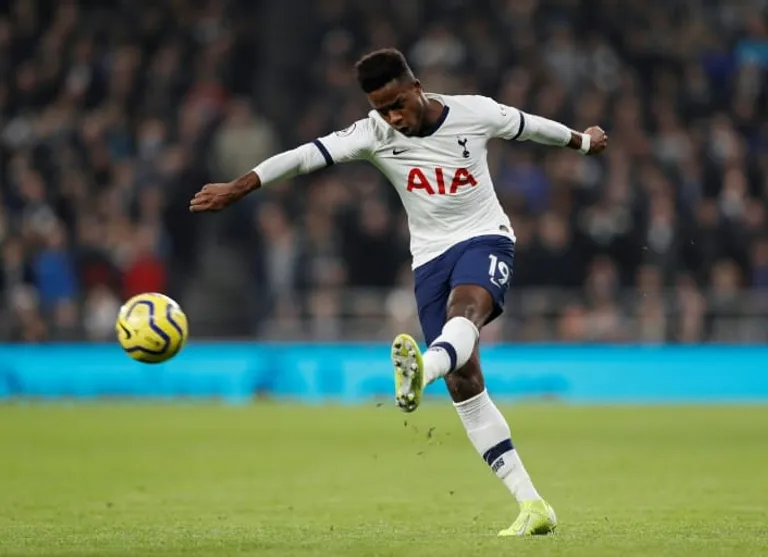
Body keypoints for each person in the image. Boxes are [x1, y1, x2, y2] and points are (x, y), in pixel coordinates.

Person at [190, 48, 607, 536]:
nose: (392, 117)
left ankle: (422, 370)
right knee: (466, 385)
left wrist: (583, 141)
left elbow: (530, 126)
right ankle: (533, 505)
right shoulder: (373, 132)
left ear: (416, 89)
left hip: (485, 237)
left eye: (397, 105)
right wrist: (239, 187)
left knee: (465, 314)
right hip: (429, 260)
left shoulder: (474, 112)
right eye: (381, 109)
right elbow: (304, 157)